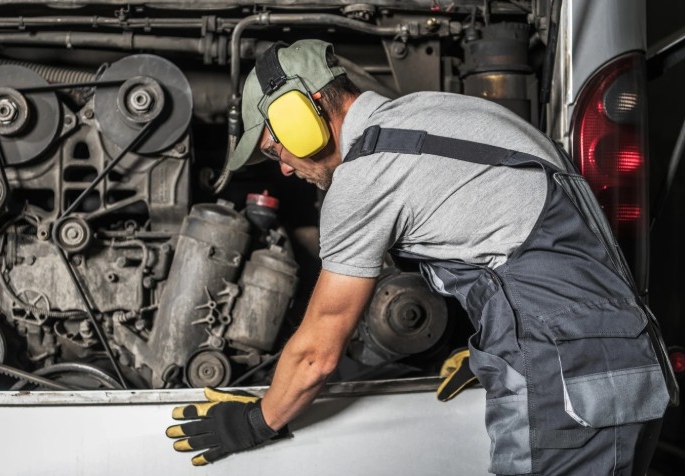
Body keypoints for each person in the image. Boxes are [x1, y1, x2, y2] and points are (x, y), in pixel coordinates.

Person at [166, 39, 675, 474]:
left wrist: (255, 422)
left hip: (562, 380)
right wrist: (496, 345)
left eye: (274, 149)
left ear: (301, 115)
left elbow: (318, 352)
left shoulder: (366, 175)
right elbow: (533, 247)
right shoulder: (436, 114)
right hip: (625, 362)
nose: (282, 168)